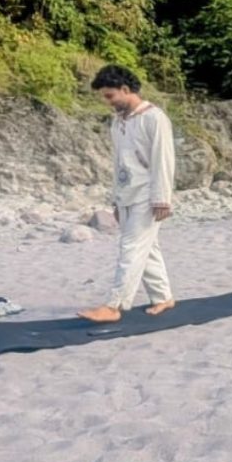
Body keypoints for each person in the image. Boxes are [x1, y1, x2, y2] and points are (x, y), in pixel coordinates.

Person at [79, 65, 176, 322]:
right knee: (148, 248)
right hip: (127, 193)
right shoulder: (117, 121)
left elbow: (163, 160)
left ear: (125, 89)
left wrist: (162, 198)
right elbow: (119, 163)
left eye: (110, 96)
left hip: (148, 193)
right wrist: (116, 199)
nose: (107, 102)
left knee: (131, 248)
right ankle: (163, 297)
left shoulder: (154, 118)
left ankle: (114, 306)